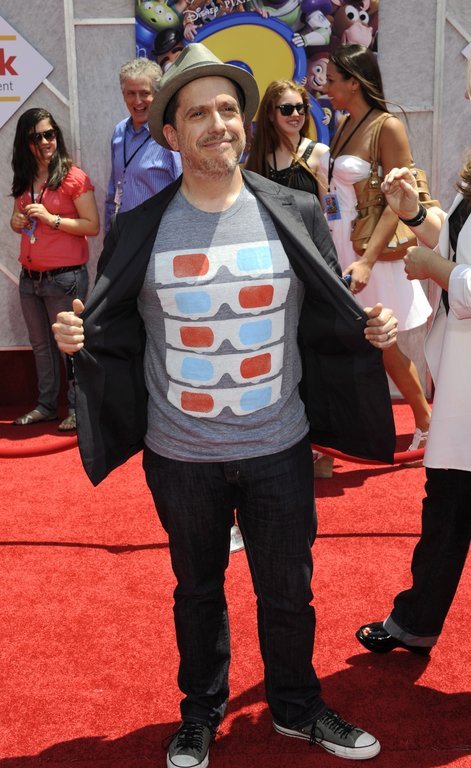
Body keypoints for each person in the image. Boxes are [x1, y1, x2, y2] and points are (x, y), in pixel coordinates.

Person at [53, 44, 399, 767]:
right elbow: (111, 326)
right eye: (197, 114)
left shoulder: (293, 209)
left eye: (228, 109)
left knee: (288, 593)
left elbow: (327, 309)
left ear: (244, 122)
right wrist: (75, 336)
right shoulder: (140, 226)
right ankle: (200, 714)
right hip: (180, 455)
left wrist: (370, 327)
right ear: (171, 133)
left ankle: (296, 708)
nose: (218, 124)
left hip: (279, 446)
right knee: (198, 593)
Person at [356, 66, 471, 656]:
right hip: (461, 385)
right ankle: (416, 621)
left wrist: (441, 272)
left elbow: (456, 266)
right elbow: (457, 239)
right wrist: (413, 214)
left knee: (448, 502)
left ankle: (415, 621)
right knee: (446, 503)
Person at [320, 43, 432, 460]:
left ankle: (426, 421)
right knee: (360, 341)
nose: (326, 87)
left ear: (354, 82)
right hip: (342, 244)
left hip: (372, 252)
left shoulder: (388, 126)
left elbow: (400, 199)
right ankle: (354, 429)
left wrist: (366, 260)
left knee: (385, 344)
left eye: (332, 80)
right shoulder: (344, 122)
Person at [245, 80, 334, 478]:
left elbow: (329, 213)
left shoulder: (319, 155)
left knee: (311, 354)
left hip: (309, 269)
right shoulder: (257, 160)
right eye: (286, 108)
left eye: (300, 107)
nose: (296, 114)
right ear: (270, 113)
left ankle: (323, 449)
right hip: (270, 270)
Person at [10, 107, 99, 431]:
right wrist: (16, 222)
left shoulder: (73, 177)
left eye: (50, 134)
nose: (46, 142)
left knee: (69, 347)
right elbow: (18, 218)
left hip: (64, 279)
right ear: (25, 143)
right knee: (41, 349)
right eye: (37, 137)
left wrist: (52, 219)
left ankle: (78, 409)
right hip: (30, 279)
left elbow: (92, 225)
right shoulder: (25, 178)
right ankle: (46, 406)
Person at [104, 57, 182, 233]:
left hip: (158, 235)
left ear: (157, 95)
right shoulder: (119, 132)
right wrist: (109, 235)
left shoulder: (170, 135)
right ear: (123, 95)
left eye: (144, 93)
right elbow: (113, 190)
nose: (138, 101)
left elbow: (185, 194)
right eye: (131, 93)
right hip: (124, 234)